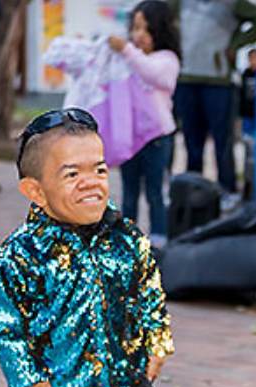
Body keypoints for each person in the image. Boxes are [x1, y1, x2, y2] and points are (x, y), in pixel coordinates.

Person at [0, 108, 197, 387]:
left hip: (126, 372)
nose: (91, 182)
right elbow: (7, 325)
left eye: (98, 169)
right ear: (36, 191)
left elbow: (148, 293)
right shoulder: (20, 255)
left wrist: (156, 341)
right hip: (63, 382)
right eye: (71, 174)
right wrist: (26, 376)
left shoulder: (126, 237)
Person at [169, 0, 256, 198]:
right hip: (186, 77)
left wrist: (236, 44)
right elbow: (162, 18)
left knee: (222, 140)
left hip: (219, 81)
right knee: (192, 141)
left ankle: (227, 189)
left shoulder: (231, 2)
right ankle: (192, 188)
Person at [108, 1, 181, 248]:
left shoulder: (167, 60)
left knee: (155, 192)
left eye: (144, 29)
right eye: (135, 28)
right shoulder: (128, 59)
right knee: (129, 193)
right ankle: (127, 241)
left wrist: (127, 51)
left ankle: (159, 241)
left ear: (159, 31)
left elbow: (153, 74)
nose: (137, 35)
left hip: (157, 138)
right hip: (130, 138)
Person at [239, 47, 256, 133]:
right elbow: (240, 93)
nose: (254, 61)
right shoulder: (244, 75)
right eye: (252, 58)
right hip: (247, 113)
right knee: (247, 136)